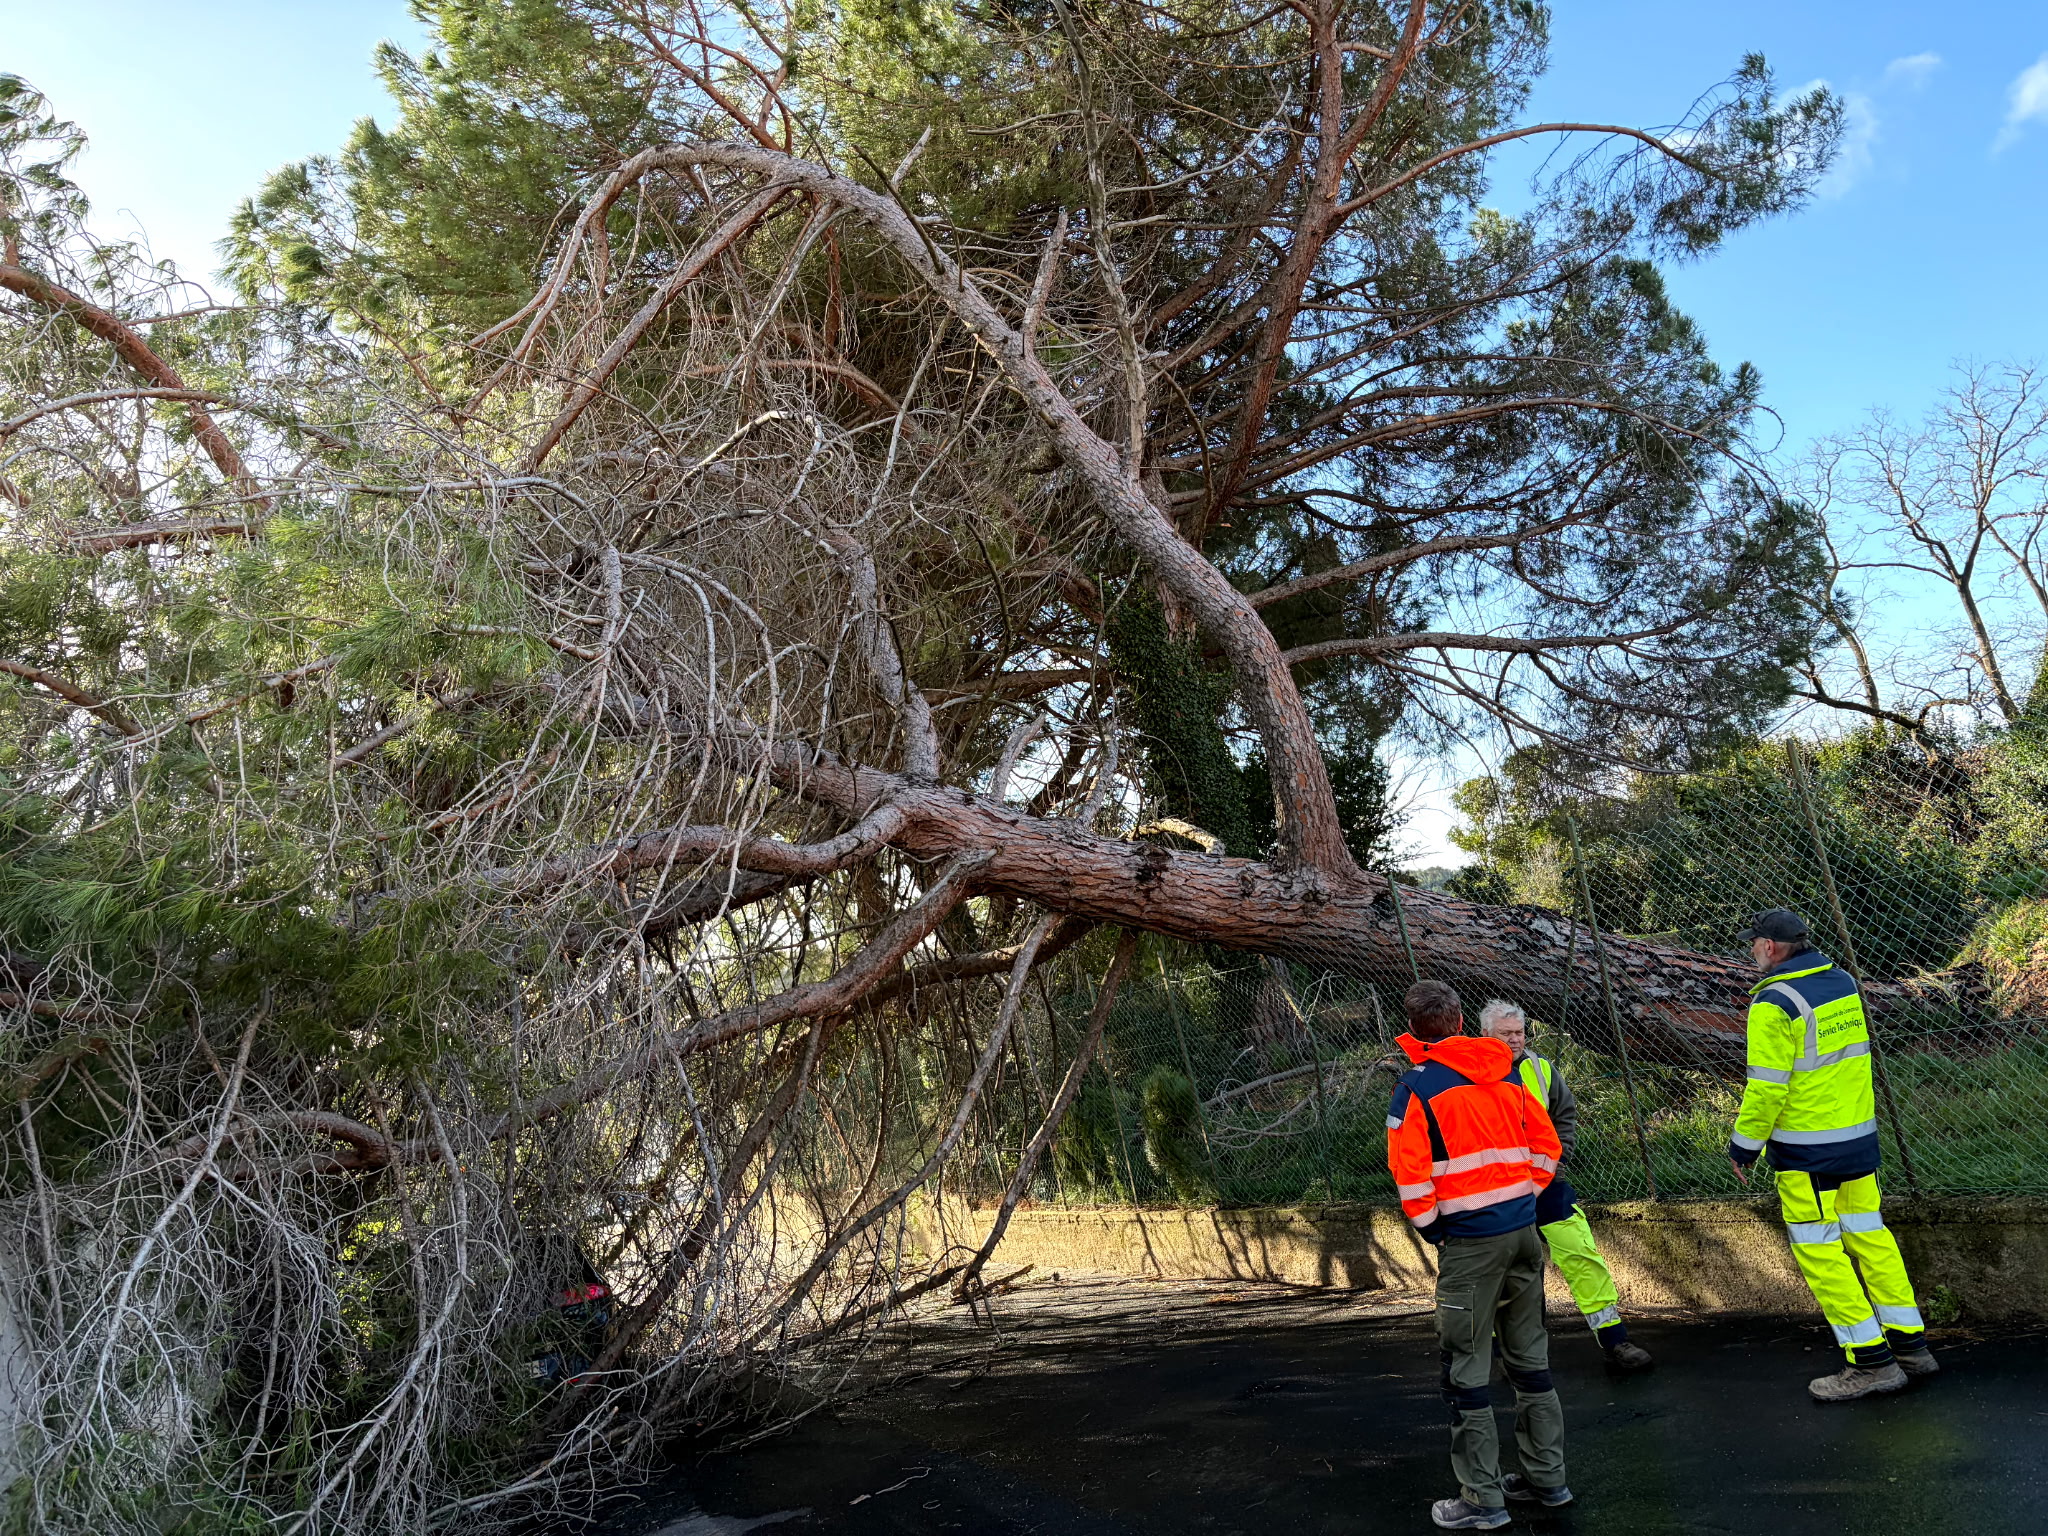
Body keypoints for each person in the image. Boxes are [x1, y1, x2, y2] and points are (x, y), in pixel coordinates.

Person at [1728, 908, 1938, 1401]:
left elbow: (1767, 1090)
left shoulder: (1773, 1004)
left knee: (1822, 1253)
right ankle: (1911, 1348)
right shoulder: (1842, 981)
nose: (1751, 951)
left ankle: (1869, 1363)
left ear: (1771, 948)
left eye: (1753, 943)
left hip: (1807, 1152)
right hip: (1857, 1140)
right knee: (1871, 1238)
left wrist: (1744, 1146)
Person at [1388, 978, 1570, 1531]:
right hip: (1521, 1234)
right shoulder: (1508, 1073)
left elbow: (1409, 1175)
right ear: (1461, 1018)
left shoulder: (1417, 1087)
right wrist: (1524, 1198)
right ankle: (1548, 1480)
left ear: (1414, 1028)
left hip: (1469, 1244)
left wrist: (1434, 1229)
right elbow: (1547, 1147)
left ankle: (1483, 1499)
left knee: (1465, 1369)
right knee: (1529, 1359)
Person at [1477, 1000, 1654, 1373]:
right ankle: (1507, 1356)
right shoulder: (1469, 1075)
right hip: (1495, 1189)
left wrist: (1557, 1160)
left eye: (1518, 1032)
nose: (1514, 1040)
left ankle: (1615, 1341)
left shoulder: (1541, 1069)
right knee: (1505, 1270)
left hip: (1546, 1183)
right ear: (1484, 1035)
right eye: (1504, 1033)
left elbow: (1564, 1114)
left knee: (1580, 1253)